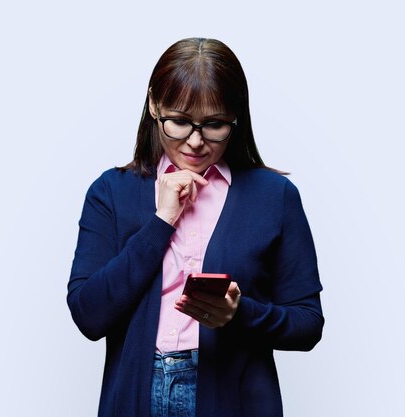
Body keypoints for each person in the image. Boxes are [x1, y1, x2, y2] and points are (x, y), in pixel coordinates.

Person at [67, 37, 324, 417]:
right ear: (155, 104)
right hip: (136, 398)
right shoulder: (111, 192)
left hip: (232, 400)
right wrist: (161, 222)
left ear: (236, 117)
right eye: (180, 122)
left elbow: (307, 323)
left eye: (215, 125)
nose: (196, 141)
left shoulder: (274, 196)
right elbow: (88, 315)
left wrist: (239, 314)